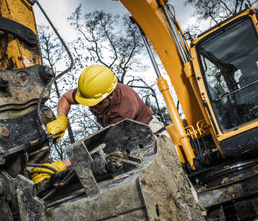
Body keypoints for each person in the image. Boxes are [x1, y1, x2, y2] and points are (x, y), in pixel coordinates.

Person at [30, 64, 167, 183]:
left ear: (110, 96)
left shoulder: (123, 109)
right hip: (123, 134)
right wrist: (61, 119)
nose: (92, 108)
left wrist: (62, 165)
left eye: (96, 104)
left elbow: (107, 145)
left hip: (149, 132)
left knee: (165, 170)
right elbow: (65, 98)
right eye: (88, 104)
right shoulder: (95, 91)